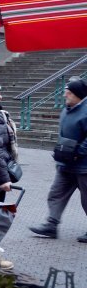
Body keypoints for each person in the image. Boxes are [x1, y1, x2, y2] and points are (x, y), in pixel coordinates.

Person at [29, 79, 87, 242]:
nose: (64, 95)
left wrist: (78, 153)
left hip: (83, 165)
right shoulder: (68, 108)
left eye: (68, 93)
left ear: (79, 95)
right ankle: (51, 225)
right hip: (66, 163)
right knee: (56, 194)